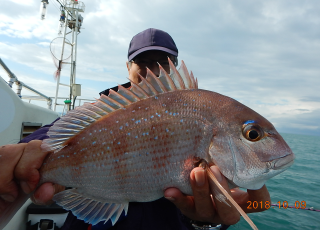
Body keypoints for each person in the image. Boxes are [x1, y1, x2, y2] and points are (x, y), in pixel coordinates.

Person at [0, 28, 270, 230]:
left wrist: (207, 223)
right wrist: (23, 156)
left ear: (174, 67)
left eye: (162, 64)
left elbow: (241, 208)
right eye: (142, 64)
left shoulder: (196, 109)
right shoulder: (102, 111)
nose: (151, 72)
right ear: (128, 67)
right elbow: (44, 142)